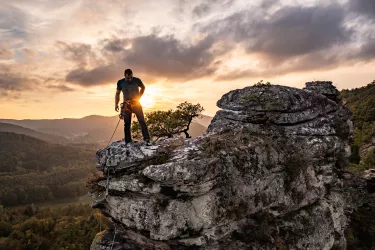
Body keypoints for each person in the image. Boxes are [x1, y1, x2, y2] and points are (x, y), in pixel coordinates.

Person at [115, 69, 151, 146]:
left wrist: (139, 97)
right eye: (128, 78)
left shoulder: (137, 80)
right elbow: (117, 93)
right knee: (127, 123)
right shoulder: (120, 82)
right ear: (124, 75)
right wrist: (116, 104)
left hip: (136, 104)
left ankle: (147, 139)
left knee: (142, 121)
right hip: (126, 105)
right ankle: (128, 141)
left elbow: (143, 87)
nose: (129, 79)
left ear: (132, 75)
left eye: (131, 77)